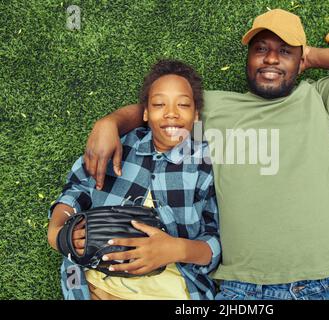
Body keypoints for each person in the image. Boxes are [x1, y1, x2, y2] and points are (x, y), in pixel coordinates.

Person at [82, 9, 329, 300]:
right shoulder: (212, 106)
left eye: (285, 52)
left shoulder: (318, 99)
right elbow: (153, 110)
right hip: (244, 289)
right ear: (249, 57)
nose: (270, 59)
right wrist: (109, 122)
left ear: (300, 61)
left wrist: (314, 56)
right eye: (261, 49)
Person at [47, 59, 221, 300]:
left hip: (174, 290)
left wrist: (176, 249)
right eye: (160, 104)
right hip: (96, 285)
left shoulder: (205, 164)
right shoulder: (119, 145)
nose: (171, 112)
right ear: (146, 113)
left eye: (183, 104)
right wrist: (58, 230)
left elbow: (214, 240)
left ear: (196, 115)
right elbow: (76, 189)